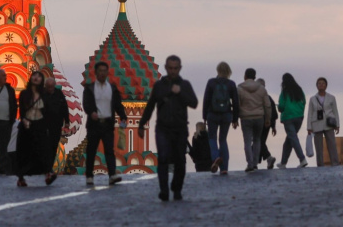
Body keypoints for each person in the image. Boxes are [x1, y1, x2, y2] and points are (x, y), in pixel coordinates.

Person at [139, 55, 198, 201]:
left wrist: (181, 93)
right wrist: (142, 124)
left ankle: (176, 188)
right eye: (170, 68)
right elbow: (151, 105)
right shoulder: (159, 85)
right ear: (166, 68)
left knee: (179, 160)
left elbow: (194, 103)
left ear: (180, 68)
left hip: (180, 128)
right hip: (163, 128)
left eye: (175, 68)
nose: (172, 71)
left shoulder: (185, 85)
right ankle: (164, 190)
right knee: (163, 159)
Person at [82, 61, 127, 186]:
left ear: (107, 73)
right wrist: (91, 112)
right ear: (96, 72)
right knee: (91, 150)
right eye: (100, 71)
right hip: (94, 124)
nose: (102, 73)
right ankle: (89, 176)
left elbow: (118, 104)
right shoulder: (90, 88)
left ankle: (112, 175)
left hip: (107, 123)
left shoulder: (112, 88)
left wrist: (123, 116)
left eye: (104, 71)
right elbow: (86, 104)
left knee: (109, 150)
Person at [15, 71, 52, 187]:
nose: (36, 78)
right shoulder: (24, 94)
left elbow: (47, 112)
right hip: (27, 124)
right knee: (25, 151)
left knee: (42, 150)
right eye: (34, 76)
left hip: (39, 124)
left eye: (39, 77)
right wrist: (24, 120)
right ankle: (21, 177)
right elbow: (21, 109)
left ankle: (47, 173)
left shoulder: (45, 95)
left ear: (42, 81)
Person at [202, 61, 239, 175]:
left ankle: (216, 157)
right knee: (223, 140)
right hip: (226, 115)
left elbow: (206, 100)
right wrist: (235, 119)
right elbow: (236, 102)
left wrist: (204, 117)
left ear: (217, 71)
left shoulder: (211, 82)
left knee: (212, 138)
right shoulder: (231, 84)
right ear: (228, 72)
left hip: (212, 114)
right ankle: (224, 168)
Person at [237, 68, 271, 172]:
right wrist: (268, 119)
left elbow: (237, 104)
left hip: (246, 118)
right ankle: (256, 163)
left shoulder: (239, 88)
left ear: (245, 76)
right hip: (259, 117)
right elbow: (268, 105)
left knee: (247, 141)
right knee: (257, 140)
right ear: (255, 77)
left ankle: (250, 163)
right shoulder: (262, 89)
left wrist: (237, 117)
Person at [276, 73, 308, 169]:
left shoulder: (284, 92)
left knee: (293, 138)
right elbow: (304, 102)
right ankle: (283, 163)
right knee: (289, 140)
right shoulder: (299, 90)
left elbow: (281, 107)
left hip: (288, 117)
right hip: (299, 117)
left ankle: (302, 159)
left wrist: (279, 107)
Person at [307, 77, 340, 167]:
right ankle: (320, 164)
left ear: (326, 85)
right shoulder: (312, 99)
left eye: (323, 83)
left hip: (329, 123)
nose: (321, 85)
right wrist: (309, 127)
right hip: (316, 123)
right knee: (318, 146)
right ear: (317, 86)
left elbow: (335, 111)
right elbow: (310, 112)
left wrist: (337, 125)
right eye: (319, 83)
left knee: (332, 144)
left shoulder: (332, 98)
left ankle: (335, 163)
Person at [44, 76, 70, 180]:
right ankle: (45, 167)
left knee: (53, 146)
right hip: (44, 125)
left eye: (52, 87)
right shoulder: (42, 94)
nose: (50, 89)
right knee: (45, 146)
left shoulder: (59, 94)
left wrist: (67, 121)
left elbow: (64, 108)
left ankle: (49, 167)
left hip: (56, 125)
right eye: (48, 87)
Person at [256, 78, 278, 169]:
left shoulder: (256, 97)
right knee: (261, 142)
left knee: (258, 141)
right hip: (268, 124)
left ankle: (267, 157)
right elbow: (274, 113)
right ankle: (256, 162)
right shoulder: (268, 97)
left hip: (259, 121)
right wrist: (273, 126)